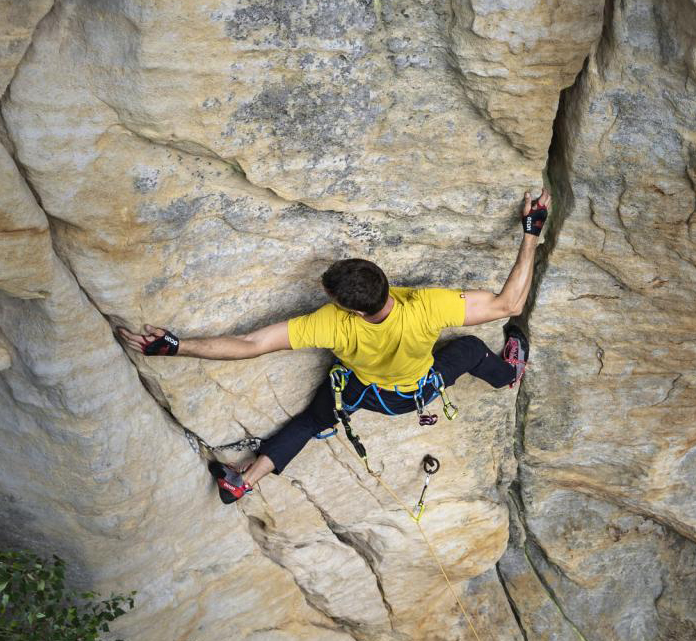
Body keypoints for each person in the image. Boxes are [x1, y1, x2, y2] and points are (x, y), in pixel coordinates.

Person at [119, 190, 550, 504]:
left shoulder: (332, 324)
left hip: (363, 393)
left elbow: (251, 344)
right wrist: (530, 234)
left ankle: (245, 481)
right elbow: (507, 304)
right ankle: (508, 373)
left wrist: (177, 347)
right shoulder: (425, 305)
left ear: (353, 310)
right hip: (413, 392)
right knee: (472, 348)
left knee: (311, 421)